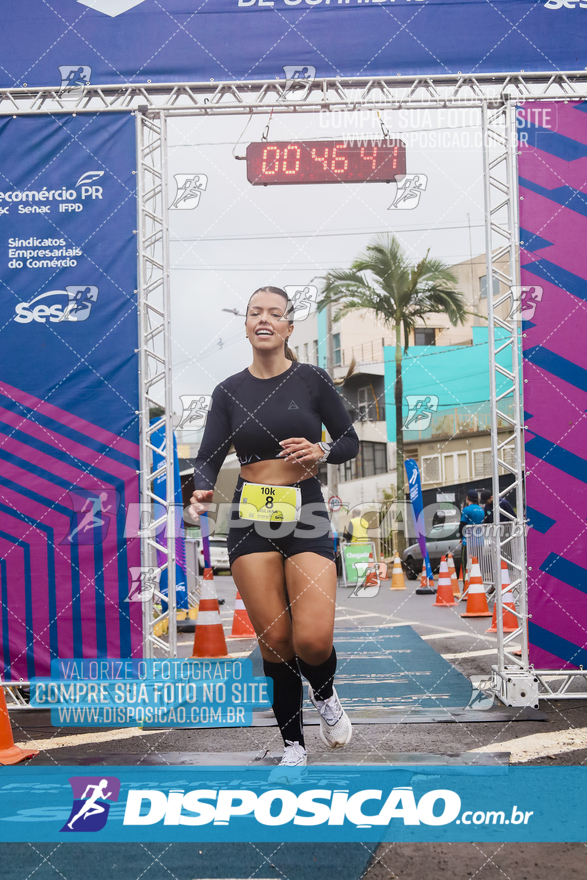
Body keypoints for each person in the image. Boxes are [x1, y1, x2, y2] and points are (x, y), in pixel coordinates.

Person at [190, 286, 359, 773]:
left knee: (311, 639)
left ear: (288, 328)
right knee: (276, 641)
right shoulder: (228, 391)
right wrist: (202, 489)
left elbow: (347, 438)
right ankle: (293, 746)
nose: (264, 319)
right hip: (250, 516)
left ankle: (325, 694)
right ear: (245, 326)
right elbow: (208, 457)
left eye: (276, 314)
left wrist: (322, 450)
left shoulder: (311, 379)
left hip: (305, 509)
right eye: (254, 313)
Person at [458, 489, 485, 579]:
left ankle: (466, 587)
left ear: (467, 498)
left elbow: (462, 524)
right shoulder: (481, 510)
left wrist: (461, 537)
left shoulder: (466, 510)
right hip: (479, 541)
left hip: (468, 540)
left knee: (466, 563)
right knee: (478, 563)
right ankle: (478, 584)